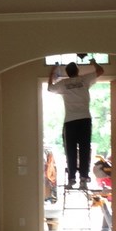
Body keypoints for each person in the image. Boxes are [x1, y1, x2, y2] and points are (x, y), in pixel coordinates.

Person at [48, 57, 104, 190]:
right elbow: (100, 71)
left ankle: (72, 179)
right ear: (77, 71)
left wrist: (52, 73)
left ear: (67, 73)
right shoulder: (84, 79)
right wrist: (93, 62)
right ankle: (83, 179)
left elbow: (50, 88)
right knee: (85, 149)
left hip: (70, 121)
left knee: (71, 151)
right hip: (85, 120)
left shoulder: (63, 84)